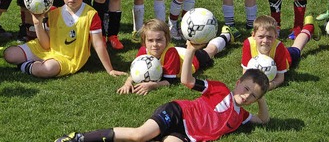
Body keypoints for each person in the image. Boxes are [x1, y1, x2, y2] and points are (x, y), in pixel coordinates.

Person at [55, 47, 270, 142]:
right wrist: (191, 52)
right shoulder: (221, 89)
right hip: (179, 113)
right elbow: (187, 81)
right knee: (139, 135)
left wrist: (262, 98)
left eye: (253, 96)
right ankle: (79, 138)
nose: (246, 96)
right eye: (246, 88)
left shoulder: (240, 117)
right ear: (238, 82)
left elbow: (264, 119)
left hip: (187, 136)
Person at [2, 0, 126, 78]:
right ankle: (32, 62)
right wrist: (37, 23)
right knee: (9, 55)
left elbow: (98, 44)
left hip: (67, 58)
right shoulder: (53, 12)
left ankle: (25, 65)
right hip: (47, 49)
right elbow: (46, 45)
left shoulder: (91, 15)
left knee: (47, 69)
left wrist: (110, 69)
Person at [117, 19, 234, 95]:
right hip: (178, 51)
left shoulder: (170, 53)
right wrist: (128, 83)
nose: (154, 44)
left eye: (159, 40)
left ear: (167, 39)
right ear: (144, 41)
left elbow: (170, 80)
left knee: (210, 51)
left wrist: (153, 85)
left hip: (191, 59)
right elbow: (135, 71)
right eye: (150, 40)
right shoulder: (143, 51)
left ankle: (226, 35)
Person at [241, 15, 320, 91]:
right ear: (253, 35)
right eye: (261, 36)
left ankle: (310, 26)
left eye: (269, 37)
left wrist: (267, 87)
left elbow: (280, 78)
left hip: (285, 56)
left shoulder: (279, 47)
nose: (265, 41)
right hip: (276, 51)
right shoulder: (248, 43)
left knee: (297, 49)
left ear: (276, 36)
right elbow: (245, 72)